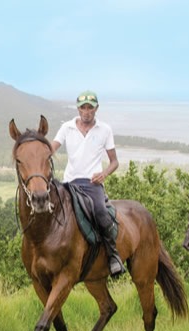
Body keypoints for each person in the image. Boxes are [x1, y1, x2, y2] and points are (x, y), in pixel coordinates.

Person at [51, 90, 126, 279]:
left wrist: (104, 174)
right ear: (78, 109)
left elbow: (114, 162)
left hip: (91, 183)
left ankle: (113, 256)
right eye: (83, 108)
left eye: (90, 108)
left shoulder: (104, 130)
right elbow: (51, 149)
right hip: (68, 182)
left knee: (101, 211)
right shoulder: (67, 128)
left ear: (96, 109)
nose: (86, 111)